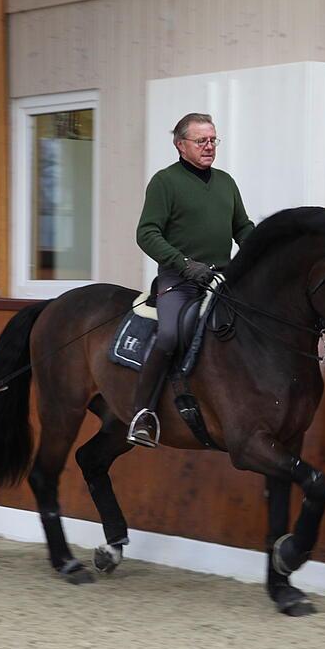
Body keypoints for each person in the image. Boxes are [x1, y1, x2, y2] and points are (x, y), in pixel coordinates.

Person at [128, 112, 255, 447]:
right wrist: (184, 264)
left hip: (221, 278)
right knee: (169, 334)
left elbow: (241, 227)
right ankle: (143, 414)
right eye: (202, 141)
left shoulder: (226, 182)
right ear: (180, 145)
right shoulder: (164, 182)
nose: (209, 146)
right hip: (179, 281)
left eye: (213, 140)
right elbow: (147, 233)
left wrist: (261, 250)